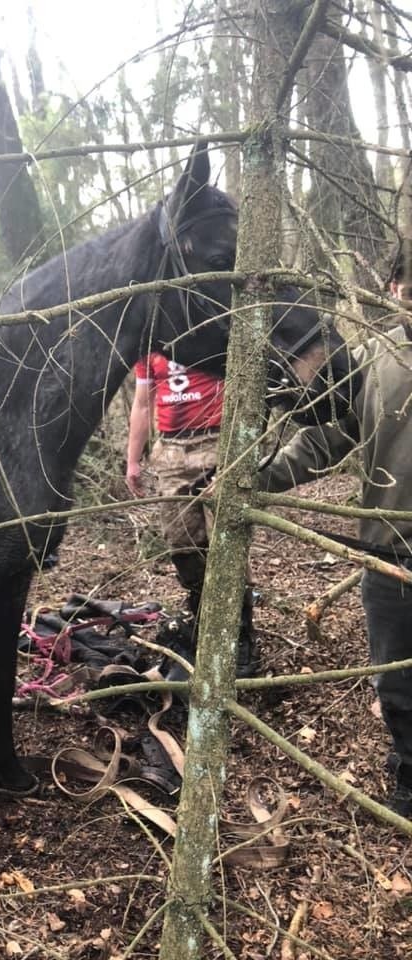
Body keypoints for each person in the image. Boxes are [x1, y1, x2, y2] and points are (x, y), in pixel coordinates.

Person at [259, 246, 412, 815]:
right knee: (395, 680)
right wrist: (259, 476)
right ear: (393, 287)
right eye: (408, 284)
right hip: (387, 554)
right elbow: (325, 439)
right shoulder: (371, 360)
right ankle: (409, 775)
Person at [126, 353, 258, 677]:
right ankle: (205, 621)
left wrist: (241, 449)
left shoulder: (208, 328)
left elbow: (245, 384)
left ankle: (242, 638)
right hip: (171, 451)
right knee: (182, 544)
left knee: (225, 545)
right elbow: (143, 404)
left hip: (217, 441)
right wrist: (133, 460)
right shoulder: (151, 340)